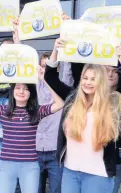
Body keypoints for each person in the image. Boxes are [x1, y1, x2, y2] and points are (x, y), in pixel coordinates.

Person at [46, 45, 121, 193]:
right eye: (85, 78)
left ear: (101, 80)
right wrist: (55, 50)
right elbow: (50, 77)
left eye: (93, 79)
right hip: (70, 172)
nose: (88, 82)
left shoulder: (113, 102)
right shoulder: (72, 99)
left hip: (97, 175)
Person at [0, 63, 65, 193]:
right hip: (6, 165)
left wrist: (44, 80)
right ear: (12, 91)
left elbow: (60, 103)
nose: (21, 91)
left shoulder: (36, 112)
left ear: (31, 93)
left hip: (30, 166)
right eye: (18, 87)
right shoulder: (3, 110)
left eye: (25, 89)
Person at [35, 52, 74, 193]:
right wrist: (17, 41)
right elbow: (24, 65)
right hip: (36, 151)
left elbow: (68, 70)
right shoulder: (35, 89)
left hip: (55, 153)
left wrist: (64, 47)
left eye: (48, 67)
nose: (44, 70)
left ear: (56, 69)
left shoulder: (62, 88)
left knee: (56, 190)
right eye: (42, 67)